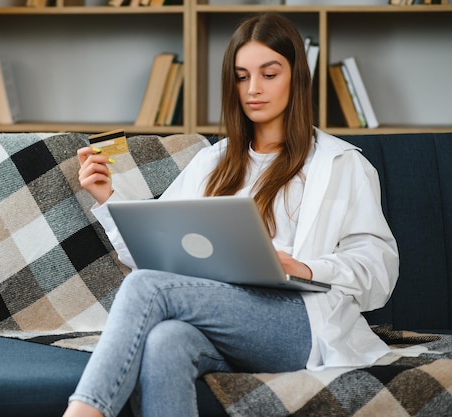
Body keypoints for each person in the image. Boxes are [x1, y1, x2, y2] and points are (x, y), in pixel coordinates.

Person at [63, 12, 399, 417]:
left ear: (296, 77)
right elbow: (157, 257)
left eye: (269, 74)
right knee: (165, 341)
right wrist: (107, 195)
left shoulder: (342, 164)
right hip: (226, 319)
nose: (253, 89)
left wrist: (305, 268)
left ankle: (84, 412)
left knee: (144, 288)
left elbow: (378, 270)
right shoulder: (212, 162)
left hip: (300, 323)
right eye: (241, 77)